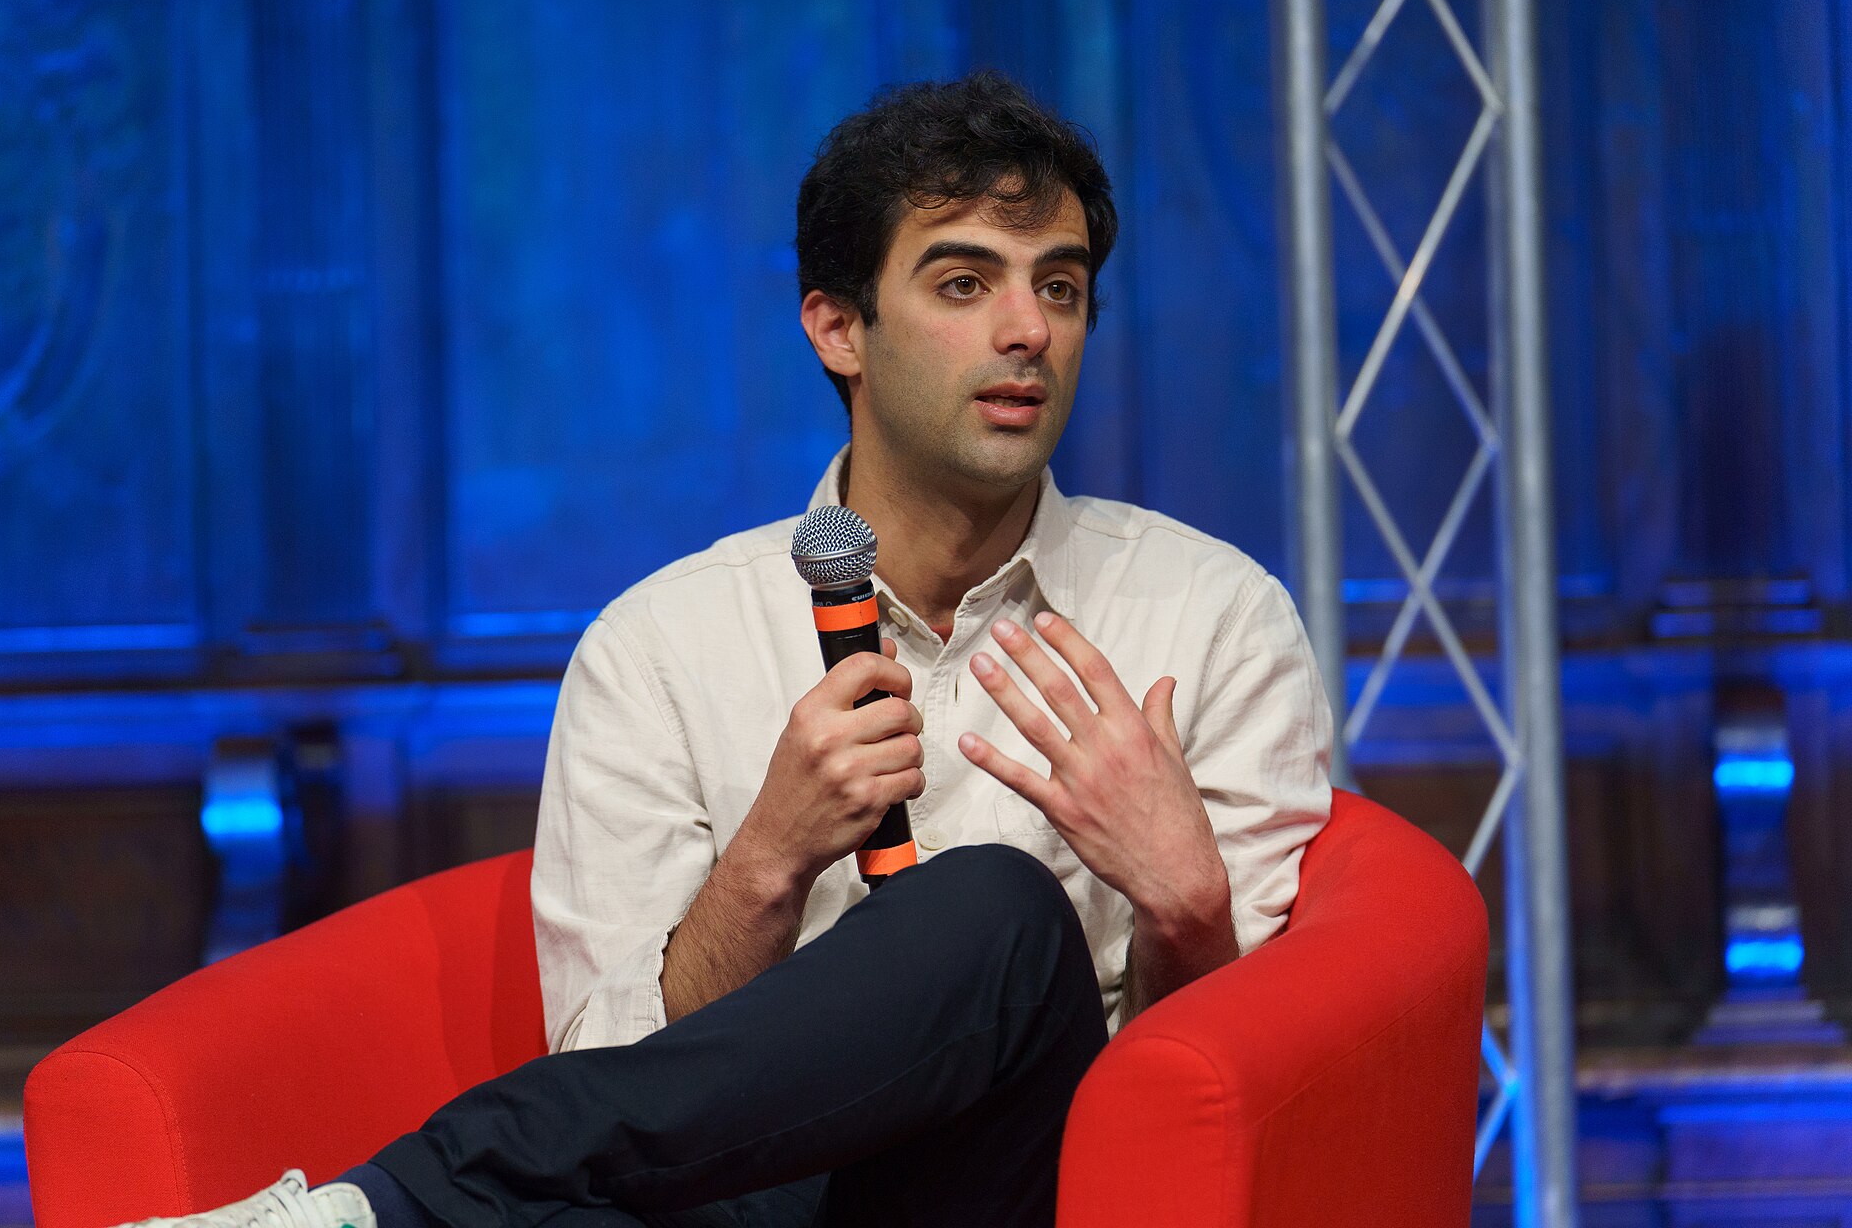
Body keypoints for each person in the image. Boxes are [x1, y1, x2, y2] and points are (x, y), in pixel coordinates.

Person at [115, 70, 1331, 1228]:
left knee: (996, 908)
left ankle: (388, 1202)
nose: (1027, 331)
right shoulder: (662, 643)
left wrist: (1185, 905)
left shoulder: (1209, 616)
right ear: (838, 327)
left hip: (1022, 1187)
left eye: (1059, 288)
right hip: (727, 1202)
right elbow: (609, 1075)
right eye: (965, 284)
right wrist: (768, 859)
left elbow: (1237, 1102)